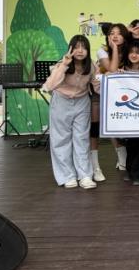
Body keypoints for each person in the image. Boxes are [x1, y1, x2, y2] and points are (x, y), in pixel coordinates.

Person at [43, 35, 100, 190]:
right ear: (70, 49)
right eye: (76, 47)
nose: (80, 51)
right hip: (61, 101)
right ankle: (67, 176)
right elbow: (50, 85)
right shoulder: (61, 64)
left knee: (82, 139)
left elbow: (98, 88)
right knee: (61, 139)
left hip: (82, 102)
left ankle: (85, 176)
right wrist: (64, 65)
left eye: (84, 47)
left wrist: (114, 79)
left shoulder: (92, 66)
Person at [95, 23, 129, 178]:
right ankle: (121, 156)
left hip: (126, 91)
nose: (115, 36)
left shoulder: (130, 50)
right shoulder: (102, 50)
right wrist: (114, 48)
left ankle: (128, 155)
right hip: (105, 92)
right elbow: (112, 69)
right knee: (112, 123)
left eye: (119, 33)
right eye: (112, 33)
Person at [121, 40, 139, 186]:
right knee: (130, 144)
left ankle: (138, 174)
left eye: (138, 53)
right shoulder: (121, 70)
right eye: (131, 52)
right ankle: (130, 170)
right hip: (127, 115)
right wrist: (117, 77)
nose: (134, 55)